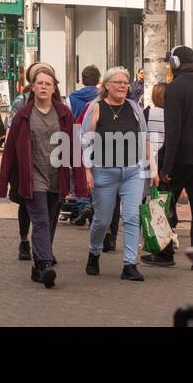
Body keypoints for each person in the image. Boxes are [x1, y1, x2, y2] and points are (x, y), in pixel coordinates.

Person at [0, 62, 81, 286]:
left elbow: (75, 148)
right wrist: (3, 182)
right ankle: (45, 263)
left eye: (48, 83)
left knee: (51, 221)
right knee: (41, 220)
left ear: (54, 88)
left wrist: (80, 182)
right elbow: (10, 152)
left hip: (57, 176)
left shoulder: (64, 114)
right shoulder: (23, 116)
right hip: (33, 178)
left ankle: (37, 266)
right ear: (32, 87)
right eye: (40, 83)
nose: (44, 87)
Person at [81, 67, 154, 281]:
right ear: (106, 86)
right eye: (118, 82)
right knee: (102, 221)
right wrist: (87, 171)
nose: (123, 86)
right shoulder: (95, 108)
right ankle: (94, 253)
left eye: (126, 82)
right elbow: (85, 140)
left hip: (133, 171)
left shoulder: (134, 107)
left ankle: (130, 264)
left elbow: (146, 138)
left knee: (132, 217)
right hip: (103, 172)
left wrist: (153, 167)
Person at [153, 45, 193, 264]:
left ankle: (164, 253)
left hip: (180, 158)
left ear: (176, 63)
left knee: (165, 202)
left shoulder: (173, 89)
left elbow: (173, 130)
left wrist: (166, 168)